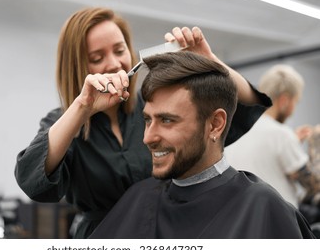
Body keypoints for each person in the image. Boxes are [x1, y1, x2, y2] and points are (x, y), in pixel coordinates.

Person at [14, 7, 271, 238]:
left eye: (119, 50)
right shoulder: (66, 121)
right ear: (77, 66)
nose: (114, 64)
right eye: (96, 58)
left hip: (169, 231)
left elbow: (245, 105)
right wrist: (82, 108)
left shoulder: (152, 107)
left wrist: (210, 61)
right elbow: (32, 179)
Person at [89, 51, 315, 239]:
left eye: (167, 120)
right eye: (148, 120)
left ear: (215, 124)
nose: (148, 137)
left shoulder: (262, 208)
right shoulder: (138, 199)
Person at [224, 65, 320, 210]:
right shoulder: (281, 134)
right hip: (276, 224)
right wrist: (316, 141)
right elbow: (315, 185)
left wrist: (293, 142)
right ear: (284, 100)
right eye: (295, 102)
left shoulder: (235, 130)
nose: (293, 109)